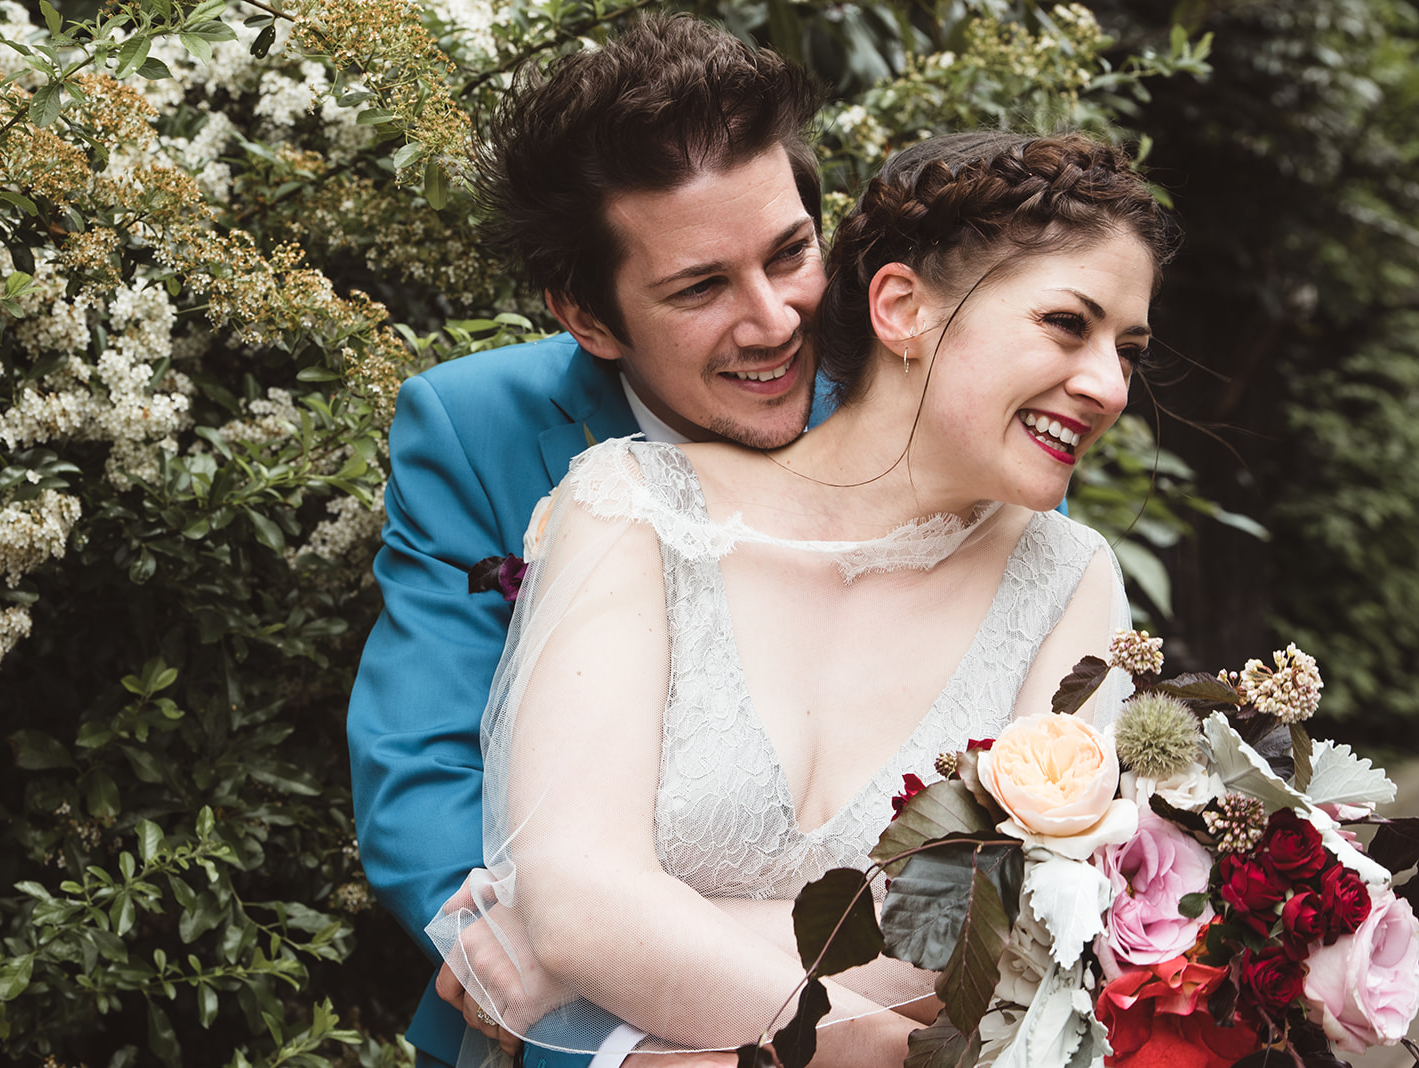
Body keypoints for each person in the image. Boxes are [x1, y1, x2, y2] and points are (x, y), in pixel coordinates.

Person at [426, 129, 1177, 1068]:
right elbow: (580, 904)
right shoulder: (634, 508)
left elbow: (1024, 951)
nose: (1108, 385)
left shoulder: (1072, 579)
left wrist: (678, 1041)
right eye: (1067, 325)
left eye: (1129, 349)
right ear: (902, 306)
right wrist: (881, 1045)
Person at [345, 17, 827, 1068]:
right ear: (588, 316)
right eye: (701, 287)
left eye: (790, 254)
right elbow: (418, 758)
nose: (775, 320)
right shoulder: (471, 431)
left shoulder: (936, 418)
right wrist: (540, 991)